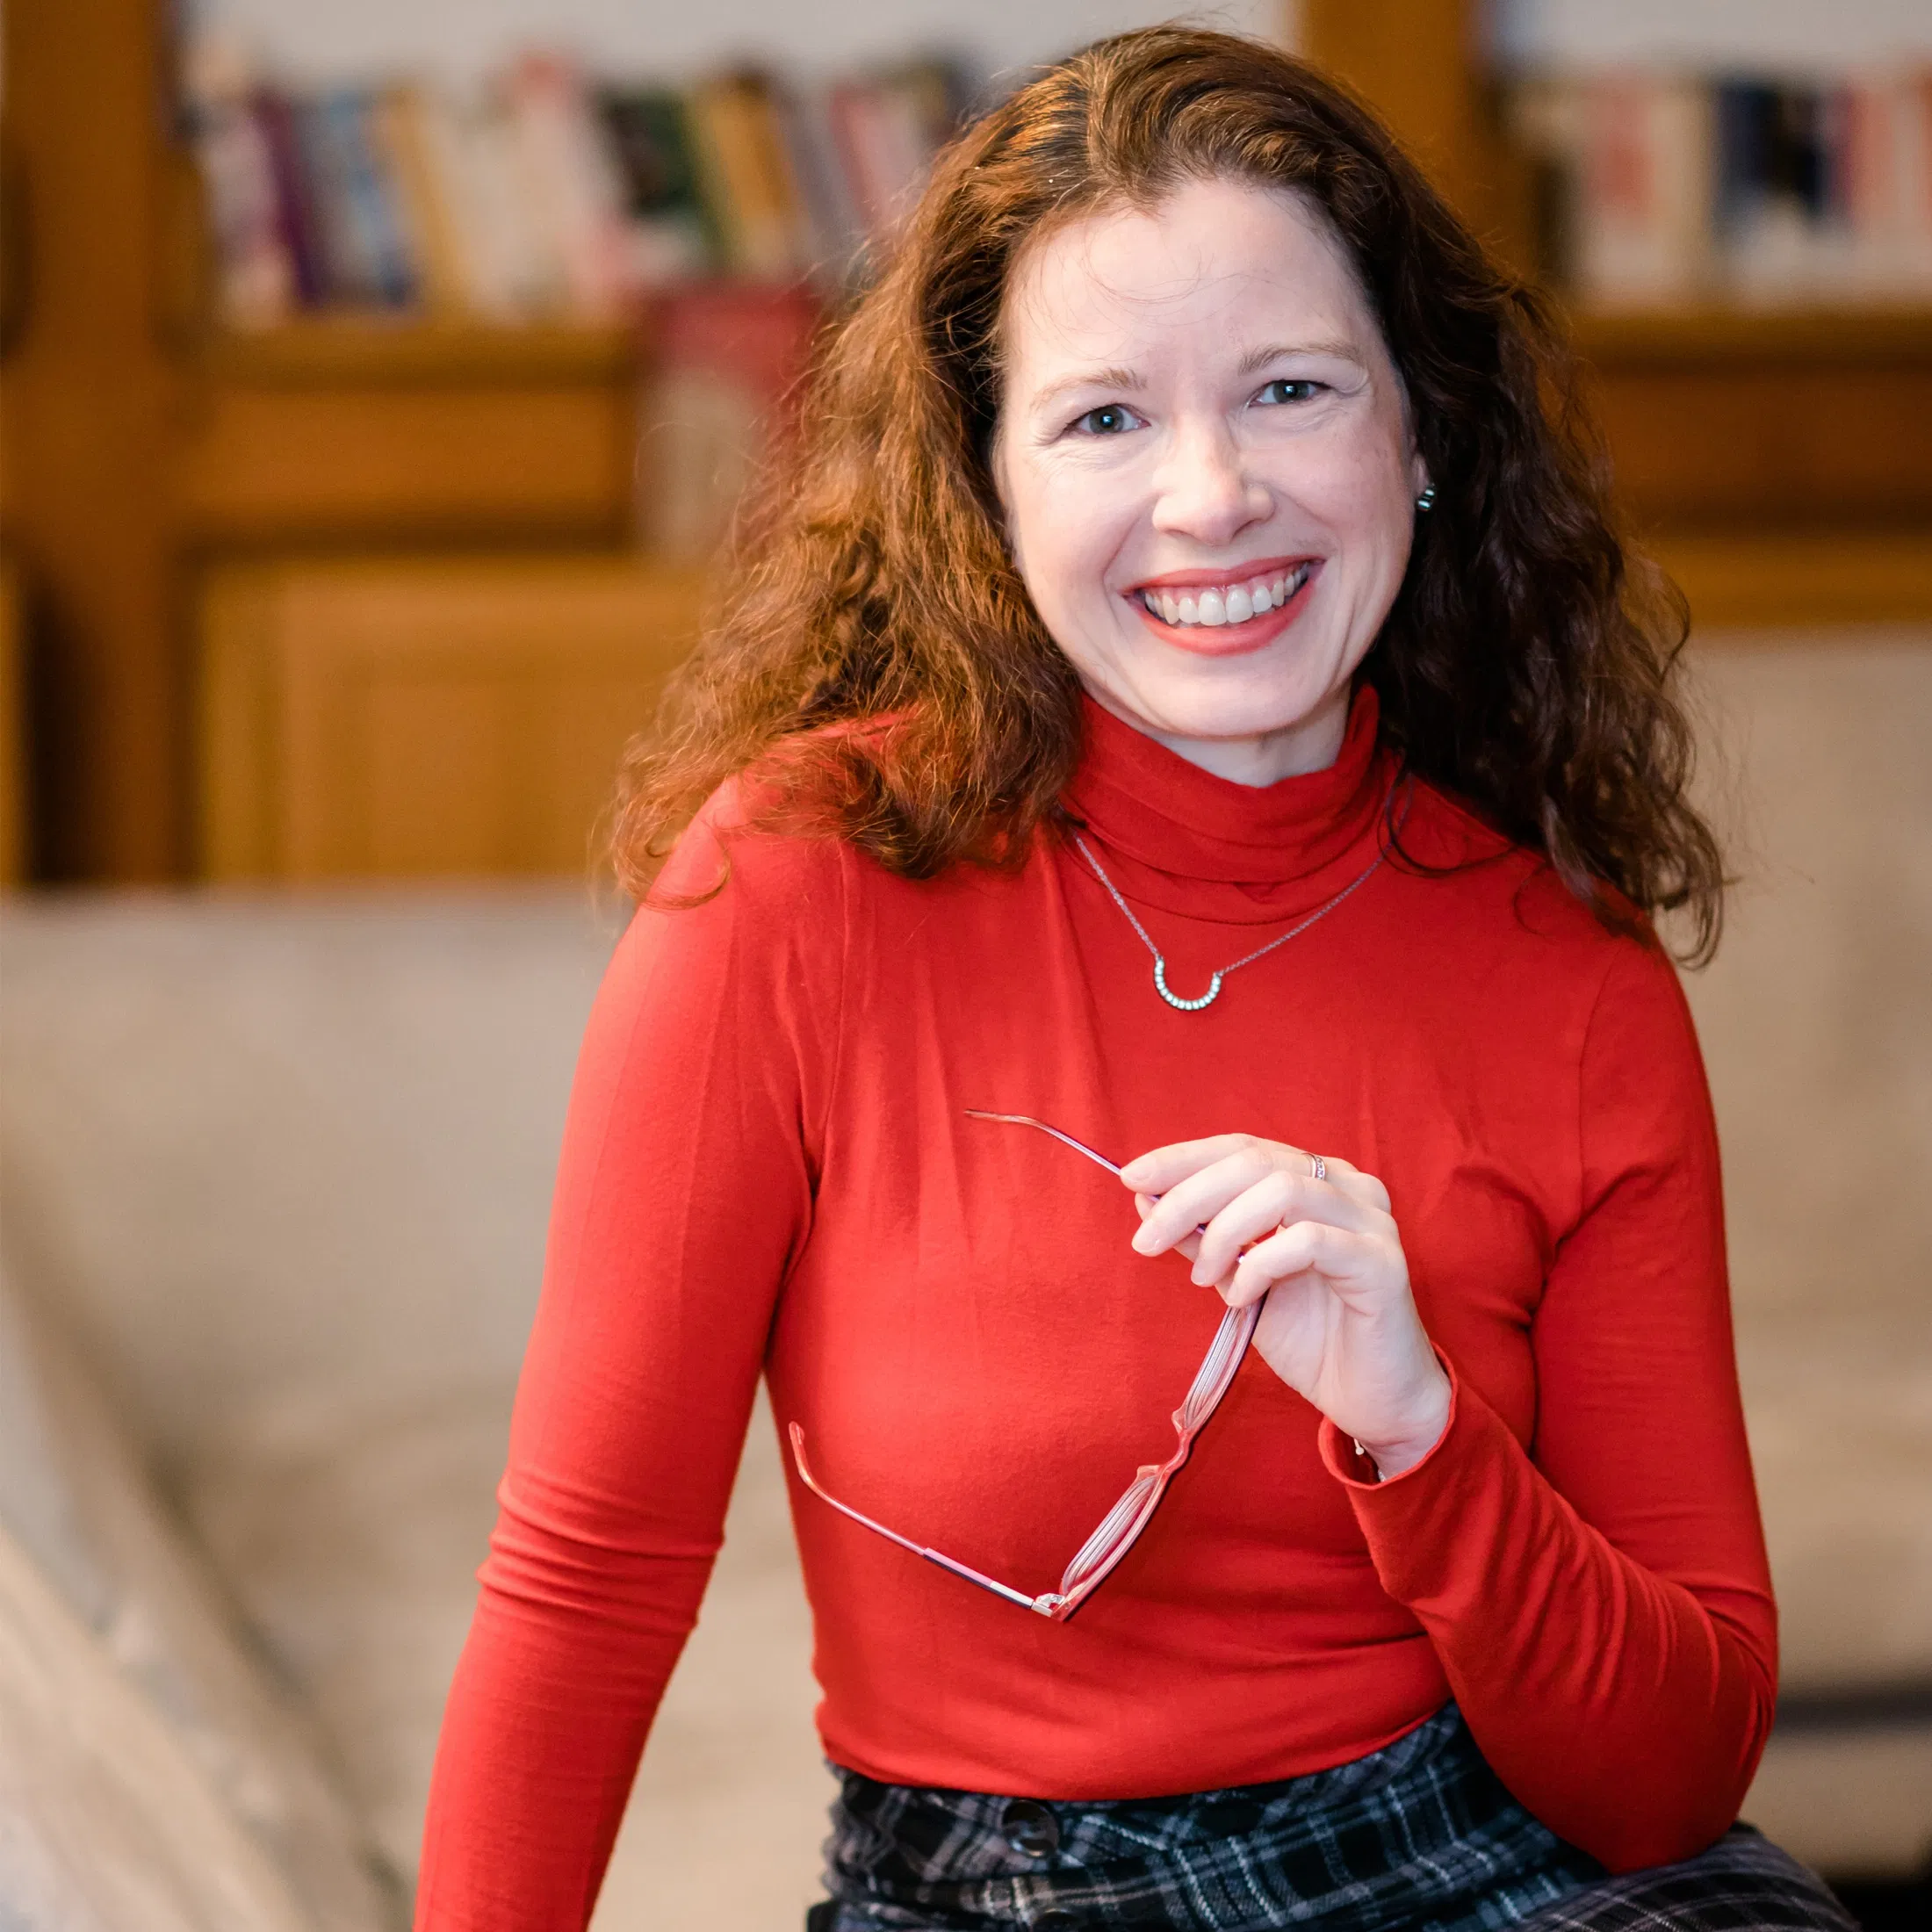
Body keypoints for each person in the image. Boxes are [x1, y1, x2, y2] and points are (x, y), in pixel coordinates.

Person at [415, 28, 1856, 1932]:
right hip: (980, 1890)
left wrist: (1419, 1432)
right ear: (984, 484)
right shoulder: (794, 886)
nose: (1207, 497)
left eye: (1286, 389)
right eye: (1102, 418)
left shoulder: (1568, 986)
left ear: (1413, 434)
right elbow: (586, 1581)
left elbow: (1666, 1775)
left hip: (1473, 1865)